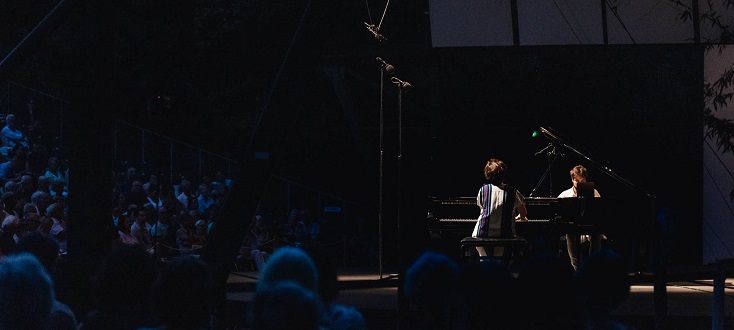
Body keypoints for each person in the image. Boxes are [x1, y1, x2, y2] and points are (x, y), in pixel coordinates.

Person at [471, 158, 528, 257]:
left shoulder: (483, 190)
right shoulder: (513, 191)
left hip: (481, 234)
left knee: (484, 257)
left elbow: (483, 209)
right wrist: (521, 217)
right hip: (504, 234)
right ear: (503, 175)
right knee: (499, 257)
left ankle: (484, 262)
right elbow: (523, 212)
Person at [557, 165, 602, 271]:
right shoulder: (565, 194)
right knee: (570, 232)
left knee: (597, 232)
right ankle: (577, 269)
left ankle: (593, 267)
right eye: (577, 180)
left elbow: (600, 211)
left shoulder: (594, 192)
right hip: (573, 230)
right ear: (572, 180)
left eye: (582, 180)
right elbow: (558, 212)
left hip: (589, 230)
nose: (580, 183)